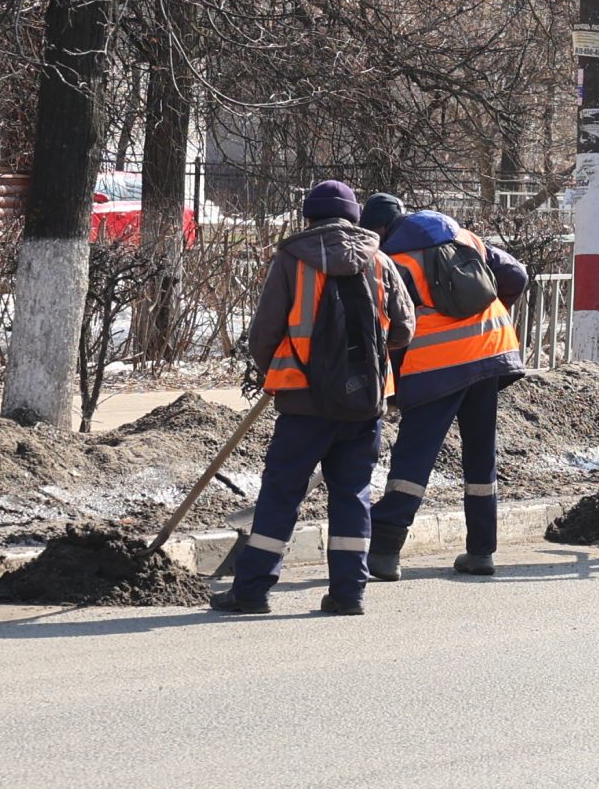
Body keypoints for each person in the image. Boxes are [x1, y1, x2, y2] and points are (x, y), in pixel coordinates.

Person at [218, 180, 413, 617]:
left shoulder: (291, 260)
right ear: (354, 218)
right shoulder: (379, 261)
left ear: (308, 217)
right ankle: (348, 594)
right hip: (363, 406)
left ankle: (251, 591)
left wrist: (285, 368)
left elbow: (264, 334)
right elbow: (404, 329)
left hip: (302, 404)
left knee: (281, 494)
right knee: (352, 495)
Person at [357, 193, 532, 580]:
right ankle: (481, 551)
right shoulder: (464, 238)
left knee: (414, 455)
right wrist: (488, 313)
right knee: (480, 453)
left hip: (437, 363)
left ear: (379, 230)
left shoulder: (393, 261)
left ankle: (385, 552)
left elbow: (389, 327)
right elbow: (516, 275)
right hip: (491, 351)